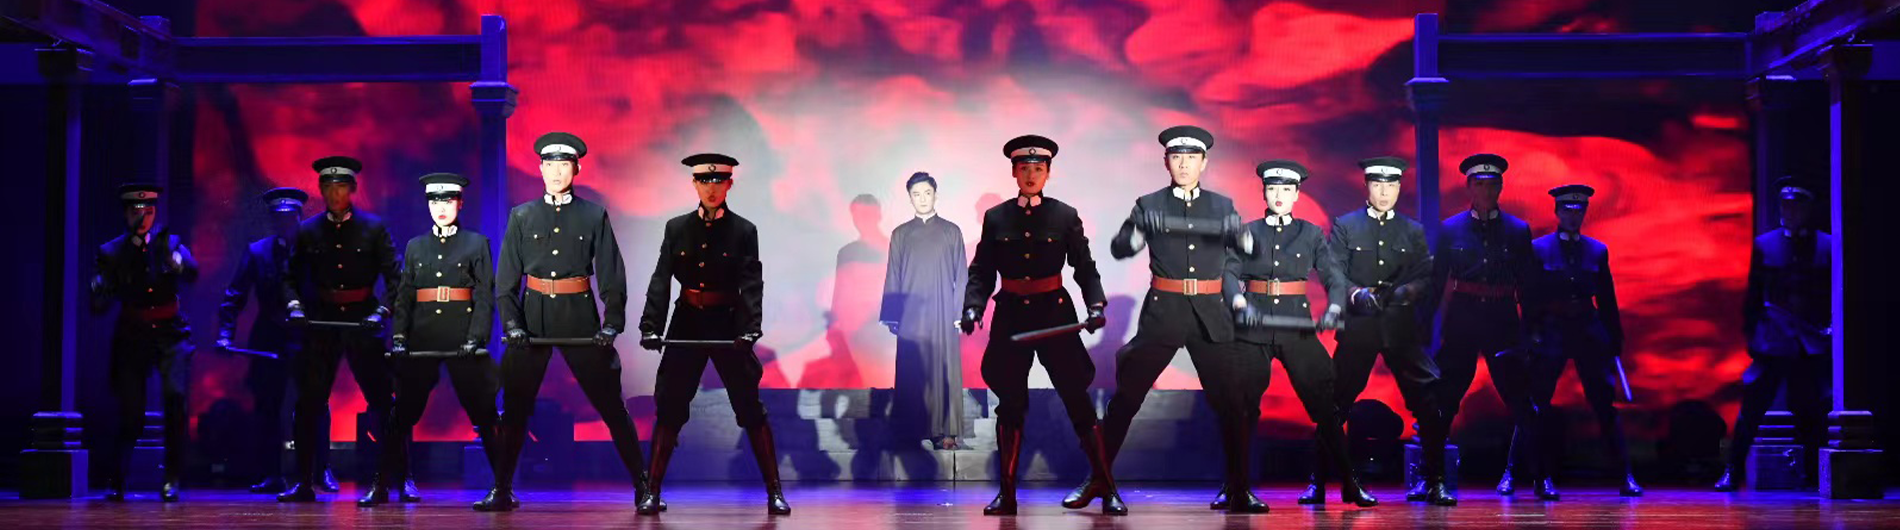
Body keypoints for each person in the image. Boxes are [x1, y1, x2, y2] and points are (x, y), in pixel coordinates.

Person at [1072, 125, 1245, 512]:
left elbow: (1238, 256)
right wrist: (1137, 235)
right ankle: (1098, 480)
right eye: (1176, 157)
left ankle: (1238, 487)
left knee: (1233, 403)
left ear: (1204, 163)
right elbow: (1121, 247)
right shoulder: (1148, 203)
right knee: (1126, 400)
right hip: (1163, 312)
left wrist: (1237, 286)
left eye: (1191, 158)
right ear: (1166, 162)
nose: (1183, 164)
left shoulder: (1222, 206)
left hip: (1210, 315)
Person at [960, 134, 1124, 516]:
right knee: (1010, 404)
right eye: (1024, 168)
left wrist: (1095, 304)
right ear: (1014, 173)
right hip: (1012, 318)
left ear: (1048, 173)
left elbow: (1084, 267)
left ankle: (1106, 486)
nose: (1031, 175)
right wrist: (973, 308)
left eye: (1038, 168)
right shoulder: (996, 217)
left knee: (1077, 400)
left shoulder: (1064, 215)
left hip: (1055, 316)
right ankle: (1007, 495)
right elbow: (982, 271)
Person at [488, 132, 648, 512]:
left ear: (576, 169)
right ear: (540, 169)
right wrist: (512, 325)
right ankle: (502, 489)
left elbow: (611, 275)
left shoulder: (593, 215)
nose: (557, 172)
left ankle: (643, 487)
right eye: (550, 165)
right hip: (532, 319)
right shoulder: (522, 216)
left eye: (564, 165)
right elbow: (505, 281)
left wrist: (612, 324)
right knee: (514, 409)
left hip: (580, 317)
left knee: (611, 406)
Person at [635, 153, 789, 516]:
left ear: (729, 185)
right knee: (670, 406)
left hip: (728, 322)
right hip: (687, 321)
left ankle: (775, 492)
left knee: (749, 407)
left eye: (718, 181)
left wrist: (750, 330)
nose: (711, 188)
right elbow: (661, 279)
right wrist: (650, 326)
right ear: (694, 184)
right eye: (704, 181)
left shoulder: (744, 231)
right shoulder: (676, 228)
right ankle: (652, 492)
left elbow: (752, 284)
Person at [1226, 160, 1377, 509]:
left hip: (1297, 325)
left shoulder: (1311, 234)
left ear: (1296, 194)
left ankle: (1349, 483)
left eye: (1286, 189)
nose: (1279, 195)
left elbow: (1333, 277)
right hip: (1253, 326)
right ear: (1264, 193)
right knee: (1243, 408)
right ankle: (1235, 487)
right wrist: (1238, 301)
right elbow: (1229, 272)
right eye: (1272, 189)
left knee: (1325, 405)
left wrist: (1335, 307)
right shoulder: (1246, 231)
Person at [1320, 156, 1456, 506]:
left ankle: (1436, 481)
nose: (1384, 192)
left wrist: (1405, 293)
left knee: (1430, 398)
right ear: (1367, 186)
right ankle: (1317, 481)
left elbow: (1426, 276)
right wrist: (1355, 294)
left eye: (1391, 185)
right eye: (1377, 185)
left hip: (1400, 326)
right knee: (1334, 402)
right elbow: (1334, 272)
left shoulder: (1412, 230)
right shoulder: (1346, 225)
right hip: (1359, 325)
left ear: (1398, 188)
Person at [360, 173, 501, 507]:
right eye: (435, 201)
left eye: (448, 200)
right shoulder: (415, 246)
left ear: (460, 203)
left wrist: (476, 337)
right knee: (400, 416)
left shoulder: (476, 243)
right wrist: (399, 336)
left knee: (484, 414)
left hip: (463, 341)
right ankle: (381, 485)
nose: (441, 207)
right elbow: (405, 297)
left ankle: (503, 487)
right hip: (421, 340)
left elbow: (485, 296)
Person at [277, 156, 402, 503]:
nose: (335, 194)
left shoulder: (373, 228)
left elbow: (396, 278)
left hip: (363, 321)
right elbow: (288, 277)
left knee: (382, 402)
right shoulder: (308, 231)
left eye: (342, 187)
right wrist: (295, 305)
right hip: (321, 323)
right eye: (329, 188)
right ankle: (304, 482)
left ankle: (386, 482)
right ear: (321, 190)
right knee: (308, 403)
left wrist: (382, 311)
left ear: (353, 190)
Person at [1422, 154, 1544, 498]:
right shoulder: (1451, 229)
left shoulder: (1517, 230)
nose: (1486, 191)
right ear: (1469, 188)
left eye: (1492, 185)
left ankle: (1541, 477)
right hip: (1462, 318)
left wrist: (1532, 332)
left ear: (1501, 188)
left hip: (1502, 319)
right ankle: (1434, 479)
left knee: (1521, 401)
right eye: (1479, 184)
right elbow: (1436, 282)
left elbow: (1529, 286)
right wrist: (1423, 328)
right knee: (1445, 401)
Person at [1521, 184, 1642, 498]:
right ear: (1557, 212)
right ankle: (1541, 478)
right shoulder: (1539, 249)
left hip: (1588, 330)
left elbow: (1607, 299)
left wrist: (1614, 339)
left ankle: (1625, 475)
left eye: (1579, 211)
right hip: (1552, 330)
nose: (1573, 216)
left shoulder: (1597, 250)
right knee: (1539, 405)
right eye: (1567, 210)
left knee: (1604, 404)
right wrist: (1531, 336)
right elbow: (1529, 298)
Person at [217, 187, 340, 495]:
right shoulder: (258, 252)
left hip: (309, 337)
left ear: (299, 218)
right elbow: (234, 296)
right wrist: (225, 334)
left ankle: (321, 470)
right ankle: (272, 474)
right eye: (278, 218)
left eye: (289, 218)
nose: (284, 223)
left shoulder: (317, 251)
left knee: (316, 404)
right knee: (267, 407)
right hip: (269, 338)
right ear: (272, 220)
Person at [1714, 176, 1831, 492]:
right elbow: (1753, 295)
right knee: (1752, 410)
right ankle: (1732, 471)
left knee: (1811, 411)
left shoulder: (1827, 246)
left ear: (1808, 209)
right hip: (1772, 339)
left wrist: (1830, 329)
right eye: (1785, 205)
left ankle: (1812, 476)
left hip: (1810, 342)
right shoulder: (1766, 244)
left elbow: (1835, 294)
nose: (1789, 211)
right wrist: (1752, 336)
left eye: (1796, 206)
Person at [89, 183, 198, 502]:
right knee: (131, 412)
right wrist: (99, 289)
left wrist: (177, 263)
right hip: (133, 335)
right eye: (136, 211)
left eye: (148, 211)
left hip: (170, 334)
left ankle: (172, 478)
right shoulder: (112, 252)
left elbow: (192, 272)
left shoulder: (170, 242)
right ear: (126, 214)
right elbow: (98, 305)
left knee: (175, 399)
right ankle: (118, 479)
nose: (143, 217)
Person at [879, 171, 967, 451]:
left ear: (935, 195)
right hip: (911, 314)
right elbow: (893, 274)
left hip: (943, 311)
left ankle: (946, 431)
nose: (922, 199)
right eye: (916, 194)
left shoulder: (951, 231)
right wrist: (892, 314)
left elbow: (961, 274)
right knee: (911, 371)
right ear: (910, 198)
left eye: (927, 193)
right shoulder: (901, 234)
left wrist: (959, 312)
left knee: (943, 369)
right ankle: (910, 431)